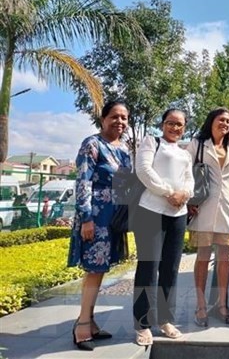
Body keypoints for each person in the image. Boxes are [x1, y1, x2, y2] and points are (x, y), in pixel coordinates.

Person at [68, 100, 132, 351]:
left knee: (101, 269)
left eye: (124, 118)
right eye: (114, 116)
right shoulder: (92, 144)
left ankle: (91, 321)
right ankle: (82, 324)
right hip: (95, 216)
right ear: (103, 118)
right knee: (94, 270)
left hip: (114, 218)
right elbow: (83, 182)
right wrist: (86, 218)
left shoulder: (124, 148)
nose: (120, 122)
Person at [132, 109, 194, 346]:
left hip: (178, 214)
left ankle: (166, 319)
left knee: (170, 269)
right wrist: (169, 193)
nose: (175, 128)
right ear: (162, 124)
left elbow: (190, 179)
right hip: (151, 212)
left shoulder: (184, 153)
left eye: (180, 125)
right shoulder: (151, 142)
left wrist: (184, 195)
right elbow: (144, 171)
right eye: (171, 123)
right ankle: (143, 323)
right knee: (149, 267)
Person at [186, 107, 229, 326]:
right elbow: (185, 173)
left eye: (228, 121)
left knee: (225, 259)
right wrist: (188, 201)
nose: (225, 124)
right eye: (221, 120)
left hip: (228, 211)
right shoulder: (197, 145)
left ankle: (222, 305)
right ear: (211, 121)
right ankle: (201, 306)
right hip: (203, 208)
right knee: (202, 258)